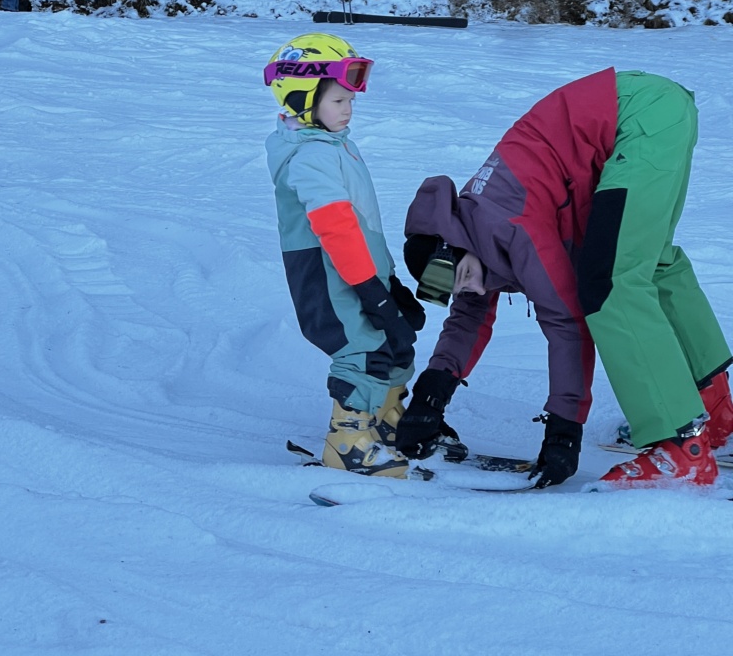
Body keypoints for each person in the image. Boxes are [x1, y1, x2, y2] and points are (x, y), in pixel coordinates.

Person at [396, 68, 733, 489]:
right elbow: (467, 319)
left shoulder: (509, 225)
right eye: (458, 287)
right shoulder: (468, 234)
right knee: (651, 264)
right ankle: (711, 408)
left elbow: (567, 323)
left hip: (635, 120)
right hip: (656, 109)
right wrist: (431, 396)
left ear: (453, 246)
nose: (473, 289)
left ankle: (683, 447)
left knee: (609, 281)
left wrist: (563, 429)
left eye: (463, 276)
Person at [264, 32, 434, 477]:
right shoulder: (309, 157)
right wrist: (368, 289)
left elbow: (362, 229)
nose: (348, 109)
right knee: (362, 350)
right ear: (302, 96)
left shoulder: (335, 147)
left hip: (361, 270)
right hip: (327, 273)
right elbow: (335, 227)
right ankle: (348, 442)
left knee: (398, 343)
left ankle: (387, 422)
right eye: (339, 99)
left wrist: (388, 283)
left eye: (350, 100)